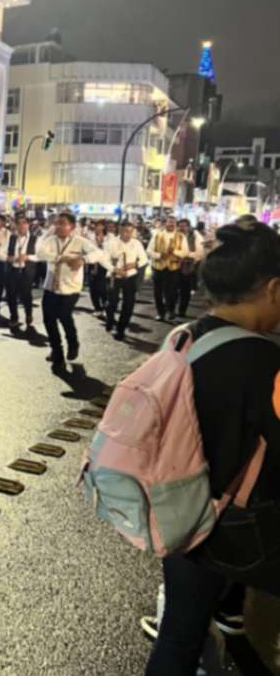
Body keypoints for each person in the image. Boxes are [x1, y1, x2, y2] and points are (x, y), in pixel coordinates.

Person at [144, 218, 280, 676]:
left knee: (179, 632)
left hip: (180, 515)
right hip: (246, 530)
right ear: (273, 289)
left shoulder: (182, 339)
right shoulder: (269, 363)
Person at [35, 212, 109, 370]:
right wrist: (59, 258)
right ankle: (57, 352)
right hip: (51, 287)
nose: (59, 226)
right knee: (49, 320)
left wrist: (83, 260)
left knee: (64, 316)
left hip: (71, 288)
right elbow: (40, 253)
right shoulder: (50, 240)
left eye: (63, 223)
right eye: (57, 223)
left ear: (72, 226)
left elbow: (99, 253)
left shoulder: (80, 241)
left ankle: (73, 342)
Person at [104, 220, 149, 342]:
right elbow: (104, 260)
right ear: (119, 230)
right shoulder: (110, 242)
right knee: (112, 302)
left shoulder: (136, 243)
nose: (126, 234)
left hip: (130, 276)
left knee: (128, 304)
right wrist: (115, 269)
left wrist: (133, 264)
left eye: (129, 231)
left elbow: (144, 259)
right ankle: (110, 319)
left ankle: (121, 329)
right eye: (124, 231)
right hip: (114, 275)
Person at [147, 216, 189, 322]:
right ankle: (160, 312)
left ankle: (171, 310)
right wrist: (159, 255)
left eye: (173, 223)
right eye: (169, 223)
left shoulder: (181, 236)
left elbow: (185, 252)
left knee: (172, 291)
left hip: (173, 267)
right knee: (158, 292)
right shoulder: (157, 235)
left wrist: (174, 251)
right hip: (158, 267)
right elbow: (149, 250)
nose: (171, 225)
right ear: (165, 224)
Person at [6, 215, 38, 331]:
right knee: (11, 295)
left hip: (26, 270)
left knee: (26, 295)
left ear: (28, 225)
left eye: (24, 223)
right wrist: (10, 258)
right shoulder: (12, 238)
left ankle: (28, 314)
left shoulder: (35, 239)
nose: (21, 225)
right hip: (13, 269)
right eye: (19, 223)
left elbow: (39, 256)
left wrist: (27, 257)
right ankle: (14, 317)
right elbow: (8, 253)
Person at [176, 218, 205, 318]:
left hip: (188, 267)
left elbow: (200, 253)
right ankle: (170, 309)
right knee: (171, 289)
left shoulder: (195, 235)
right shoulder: (175, 235)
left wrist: (187, 254)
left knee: (185, 290)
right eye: (180, 226)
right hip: (174, 265)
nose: (182, 228)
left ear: (188, 226)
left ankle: (182, 310)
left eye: (184, 226)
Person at [88, 221, 111, 317]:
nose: (98, 228)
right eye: (97, 226)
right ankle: (97, 308)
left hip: (104, 265)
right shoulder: (90, 237)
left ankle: (106, 307)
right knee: (93, 288)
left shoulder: (110, 237)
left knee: (103, 288)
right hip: (93, 264)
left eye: (100, 226)